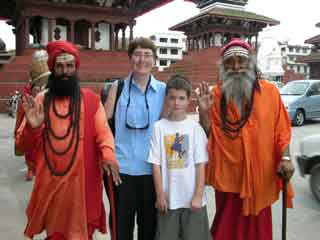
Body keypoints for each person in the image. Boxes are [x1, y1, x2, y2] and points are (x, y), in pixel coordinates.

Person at [15, 40, 120, 240]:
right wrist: (32, 127)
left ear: (76, 68)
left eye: (70, 66)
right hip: (52, 186)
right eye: (60, 66)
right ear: (52, 69)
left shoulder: (91, 100)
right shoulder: (41, 100)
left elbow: (103, 133)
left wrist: (108, 155)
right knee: (56, 234)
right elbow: (21, 146)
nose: (65, 71)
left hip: (83, 185)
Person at [196, 38, 295, 240]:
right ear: (224, 67)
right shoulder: (215, 95)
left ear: (251, 63)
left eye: (241, 61)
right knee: (226, 228)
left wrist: (285, 159)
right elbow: (209, 135)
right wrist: (204, 113)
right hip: (229, 176)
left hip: (261, 176)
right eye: (230, 62)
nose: (236, 67)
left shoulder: (270, 93)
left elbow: (281, 130)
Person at [104, 37, 167, 240]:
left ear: (154, 60)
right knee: (121, 227)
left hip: (152, 171)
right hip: (122, 171)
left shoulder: (164, 91)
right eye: (137, 54)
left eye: (148, 55)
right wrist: (106, 156)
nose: (142, 59)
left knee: (149, 227)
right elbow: (103, 124)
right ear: (130, 58)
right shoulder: (117, 87)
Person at [147, 75, 210, 240]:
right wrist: (160, 195)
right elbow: (156, 165)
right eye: (172, 98)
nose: (176, 102)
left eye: (182, 98)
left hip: (192, 201)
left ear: (189, 100)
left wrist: (198, 195)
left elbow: (200, 165)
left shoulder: (195, 128)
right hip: (169, 201)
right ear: (166, 99)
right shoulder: (159, 127)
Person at [14, 49, 51, 181]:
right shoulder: (33, 78)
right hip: (31, 112)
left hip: (46, 113)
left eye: (44, 58)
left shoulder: (51, 75)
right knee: (29, 140)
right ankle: (30, 168)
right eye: (39, 59)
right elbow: (26, 94)